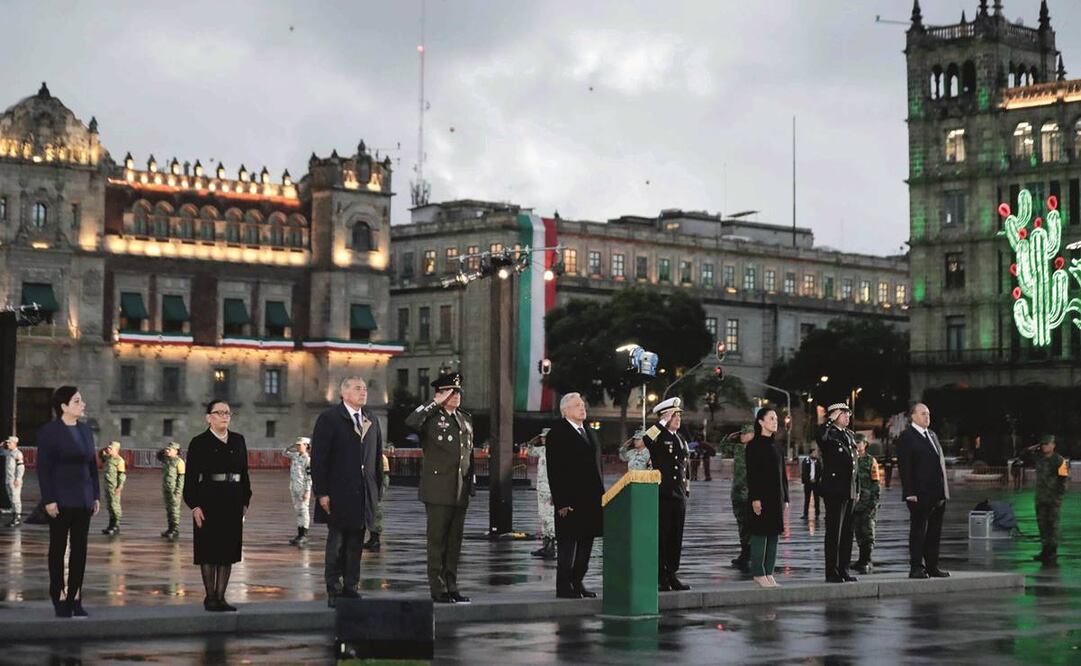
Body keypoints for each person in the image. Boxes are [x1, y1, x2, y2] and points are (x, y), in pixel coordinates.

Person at [312, 376, 385, 608]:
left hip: (363, 493)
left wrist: (377, 490)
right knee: (337, 543)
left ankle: (351, 587)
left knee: (356, 544)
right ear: (344, 393)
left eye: (364, 388)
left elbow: (376, 457)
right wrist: (321, 492)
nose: (363, 392)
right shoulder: (330, 418)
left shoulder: (371, 418)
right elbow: (319, 459)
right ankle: (333, 589)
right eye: (357, 388)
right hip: (338, 493)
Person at [405, 371, 474, 604]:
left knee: (454, 542)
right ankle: (438, 588)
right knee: (437, 542)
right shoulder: (431, 417)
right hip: (438, 488)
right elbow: (411, 422)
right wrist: (433, 403)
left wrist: (469, 483)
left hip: (459, 489)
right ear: (439, 394)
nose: (455, 396)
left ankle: (452, 585)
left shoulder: (464, 419)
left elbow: (468, 455)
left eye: (458, 392)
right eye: (450, 392)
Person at [183, 400, 252, 612]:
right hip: (208, 500)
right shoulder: (199, 442)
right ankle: (210, 596)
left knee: (227, 551)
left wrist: (245, 501)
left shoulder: (238, 440)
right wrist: (194, 505)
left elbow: (245, 472)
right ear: (208, 417)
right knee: (208, 550)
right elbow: (191, 478)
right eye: (219, 413)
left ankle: (221, 596)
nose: (224, 416)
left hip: (233, 499)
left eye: (227, 413)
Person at [37, 386, 100, 618]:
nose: (82, 404)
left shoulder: (85, 430)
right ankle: (59, 594)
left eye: (81, 400)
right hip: (60, 500)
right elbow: (44, 469)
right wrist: (49, 499)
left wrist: (95, 495)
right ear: (64, 407)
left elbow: (92, 466)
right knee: (58, 548)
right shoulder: (49, 431)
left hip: (83, 499)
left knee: (80, 550)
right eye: (77, 401)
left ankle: (76, 595)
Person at [545, 392, 604, 599]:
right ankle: (564, 586)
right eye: (577, 405)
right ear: (565, 410)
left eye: (583, 404)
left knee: (586, 544)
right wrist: (561, 501)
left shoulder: (588, 431)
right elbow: (555, 470)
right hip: (570, 500)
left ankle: (577, 582)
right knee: (568, 545)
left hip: (591, 499)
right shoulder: (557, 433)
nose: (582, 408)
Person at [897, 402, 950, 579]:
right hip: (918, 494)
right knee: (919, 531)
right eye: (923, 414)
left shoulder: (932, 435)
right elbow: (905, 467)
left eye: (928, 413)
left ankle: (932, 566)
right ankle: (916, 567)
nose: (927, 417)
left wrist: (944, 491)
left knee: (934, 532)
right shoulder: (907, 436)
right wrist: (909, 491)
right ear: (913, 416)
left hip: (937, 493)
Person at [643, 397, 691, 592]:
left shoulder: (680, 438)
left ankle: (672, 574)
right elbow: (646, 438)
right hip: (662, 493)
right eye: (673, 415)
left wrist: (687, 489)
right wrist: (662, 422)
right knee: (662, 537)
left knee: (675, 538)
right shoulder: (658, 437)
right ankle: (660, 576)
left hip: (678, 494)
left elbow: (685, 468)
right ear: (664, 417)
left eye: (679, 415)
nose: (677, 418)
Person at [746, 407, 788, 588]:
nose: (775, 421)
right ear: (761, 422)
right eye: (771, 418)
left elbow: (783, 475)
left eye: (776, 418)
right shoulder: (754, 445)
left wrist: (786, 499)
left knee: (773, 535)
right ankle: (758, 572)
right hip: (761, 497)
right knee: (760, 534)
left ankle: (769, 572)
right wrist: (755, 498)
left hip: (776, 497)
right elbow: (752, 474)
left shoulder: (777, 446)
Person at [817, 402, 860, 583]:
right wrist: (829, 421)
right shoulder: (829, 434)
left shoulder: (848, 435)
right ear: (834, 416)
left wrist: (857, 489)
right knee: (834, 532)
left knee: (847, 533)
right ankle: (831, 571)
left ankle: (844, 569)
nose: (848, 417)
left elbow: (854, 466)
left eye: (849, 414)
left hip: (849, 490)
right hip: (834, 490)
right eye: (844, 414)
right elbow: (820, 438)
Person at [1031, 434, 1069, 564]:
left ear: (1053, 445)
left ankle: (1052, 552)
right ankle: (1045, 550)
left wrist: (1058, 497)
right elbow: (1023, 454)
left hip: (1053, 499)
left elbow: (1063, 480)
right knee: (1042, 525)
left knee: (1052, 525)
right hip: (1040, 498)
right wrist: (1035, 447)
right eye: (1043, 444)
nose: (1044, 446)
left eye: (1047, 444)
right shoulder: (1039, 459)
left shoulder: (1059, 460)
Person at [851, 434, 881, 574]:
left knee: (868, 531)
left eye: (860, 442)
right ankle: (861, 560)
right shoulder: (852, 460)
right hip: (856, 502)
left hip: (868, 501)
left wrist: (874, 501)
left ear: (865, 444)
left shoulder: (870, 461)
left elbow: (876, 482)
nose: (858, 445)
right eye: (855, 442)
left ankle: (867, 560)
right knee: (858, 531)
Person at [526, 430, 556, 560]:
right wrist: (534, 439)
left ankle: (551, 548)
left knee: (550, 519)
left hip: (550, 491)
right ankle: (545, 546)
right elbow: (530, 450)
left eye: (545, 438)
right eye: (542, 438)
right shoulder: (542, 450)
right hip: (541, 490)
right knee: (543, 517)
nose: (543, 440)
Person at [730, 424, 754, 572]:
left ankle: (752, 553)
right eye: (742, 434)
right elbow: (723, 445)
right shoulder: (738, 448)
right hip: (737, 492)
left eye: (747, 433)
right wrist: (736, 434)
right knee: (741, 524)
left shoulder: (757, 449)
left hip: (751, 493)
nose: (743, 436)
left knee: (752, 524)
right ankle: (744, 552)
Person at [283, 437, 312, 546]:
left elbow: (309, 477)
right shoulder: (295, 456)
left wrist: (307, 491)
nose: (298, 447)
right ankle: (299, 534)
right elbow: (284, 453)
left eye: (300, 445)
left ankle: (304, 534)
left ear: (306, 446)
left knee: (304, 510)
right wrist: (292, 445)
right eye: (297, 445)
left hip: (303, 488)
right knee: (298, 511)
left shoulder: (307, 460)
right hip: (294, 487)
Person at [366, 445, 393, 552]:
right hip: (378, 477)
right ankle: (372, 537)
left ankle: (375, 538)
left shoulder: (379, 456)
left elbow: (381, 474)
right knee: (373, 507)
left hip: (380, 478)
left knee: (376, 507)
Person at [160, 441, 185, 540]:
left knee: (174, 509)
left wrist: (178, 492)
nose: (167, 451)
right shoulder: (167, 460)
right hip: (166, 488)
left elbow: (181, 479)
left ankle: (175, 529)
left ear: (176, 451)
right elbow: (159, 454)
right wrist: (165, 451)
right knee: (169, 509)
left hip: (174, 490)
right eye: (166, 449)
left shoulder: (179, 462)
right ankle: (170, 528)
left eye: (169, 449)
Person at [99, 441, 126, 535]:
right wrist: (104, 450)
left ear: (116, 450)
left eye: (111, 448)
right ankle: (111, 525)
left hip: (114, 487)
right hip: (107, 486)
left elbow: (121, 475)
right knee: (109, 506)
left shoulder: (119, 460)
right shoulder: (107, 458)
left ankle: (116, 525)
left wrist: (119, 487)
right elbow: (101, 455)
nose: (108, 449)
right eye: (108, 448)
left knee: (115, 506)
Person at [2, 436, 25, 527]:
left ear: (15, 443)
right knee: (11, 498)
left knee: (16, 499)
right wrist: (2, 444)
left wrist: (18, 479)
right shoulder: (8, 452)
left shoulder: (18, 454)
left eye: (9, 443)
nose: (8, 444)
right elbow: (1, 451)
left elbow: (21, 468)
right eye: (7, 443)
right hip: (8, 479)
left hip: (14, 481)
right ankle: (14, 514)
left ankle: (17, 518)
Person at [800, 447, 822, 519]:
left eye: (816, 453)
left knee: (817, 499)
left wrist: (817, 479)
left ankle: (817, 514)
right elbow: (804, 472)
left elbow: (820, 471)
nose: (815, 454)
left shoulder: (818, 462)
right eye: (814, 453)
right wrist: (806, 480)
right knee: (807, 499)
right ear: (810, 454)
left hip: (816, 483)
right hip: (808, 483)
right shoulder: (806, 461)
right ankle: (805, 514)